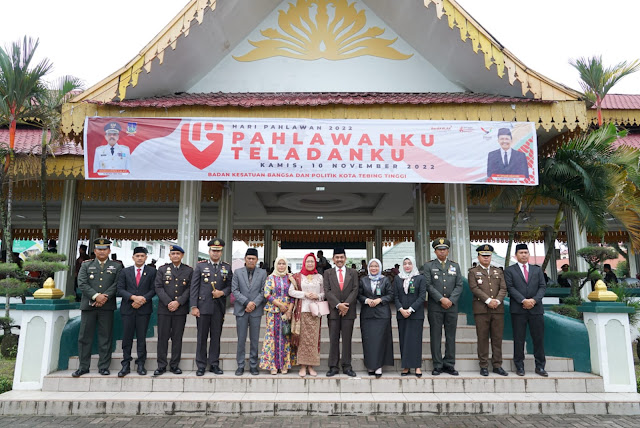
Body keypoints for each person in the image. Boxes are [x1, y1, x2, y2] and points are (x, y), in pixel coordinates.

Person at [73, 238, 123, 377]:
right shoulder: (86, 265)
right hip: (89, 306)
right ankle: (83, 367)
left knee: (105, 336)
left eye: (105, 249)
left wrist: (104, 297)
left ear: (109, 251)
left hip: (106, 307)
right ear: (95, 251)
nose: (102, 251)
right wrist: (95, 296)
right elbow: (81, 283)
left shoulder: (116, 266)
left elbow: (117, 284)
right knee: (84, 337)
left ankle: (103, 366)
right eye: (99, 249)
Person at [190, 238, 233, 376]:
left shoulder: (226, 267)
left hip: (218, 308)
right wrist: (194, 306)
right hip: (203, 307)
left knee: (216, 336)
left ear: (221, 252)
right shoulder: (200, 266)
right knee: (202, 336)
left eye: (218, 251)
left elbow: (230, 286)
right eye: (213, 251)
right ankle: (201, 365)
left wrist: (222, 293)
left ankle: (214, 363)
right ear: (209, 251)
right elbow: (194, 288)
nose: (215, 253)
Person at [505, 243, 547, 377]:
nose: (524, 255)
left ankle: (540, 366)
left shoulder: (537, 270)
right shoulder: (510, 270)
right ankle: (519, 366)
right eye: (521, 253)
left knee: (538, 338)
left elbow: (542, 287)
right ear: (516, 255)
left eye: (526, 252)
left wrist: (534, 300)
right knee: (519, 338)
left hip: (536, 309)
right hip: (519, 309)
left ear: (529, 254)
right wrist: (524, 300)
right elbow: (510, 288)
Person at [423, 238, 463, 376]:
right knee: (436, 336)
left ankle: (449, 364)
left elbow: (459, 285)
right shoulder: (429, 266)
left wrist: (450, 300)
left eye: (444, 249)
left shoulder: (455, 266)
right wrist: (441, 299)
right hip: (435, 306)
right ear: (435, 251)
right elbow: (428, 285)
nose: (442, 251)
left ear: (448, 251)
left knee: (450, 336)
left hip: (452, 307)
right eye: (439, 249)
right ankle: (437, 364)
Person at [468, 245, 508, 377]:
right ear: (478, 257)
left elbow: (503, 288)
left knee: (497, 338)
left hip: (497, 308)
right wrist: (488, 300)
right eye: (483, 256)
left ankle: (497, 365)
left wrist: (497, 300)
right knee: (483, 338)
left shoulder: (498, 271)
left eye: (488, 255)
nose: (486, 258)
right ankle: (483, 365)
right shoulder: (473, 272)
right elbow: (474, 288)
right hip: (481, 309)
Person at [116, 246, 157, 377]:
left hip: (144, 309)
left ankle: (141, 364)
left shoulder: (152, 272)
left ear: (146, 257)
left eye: (142, 256)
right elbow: (120, 289)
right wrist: (133, 298)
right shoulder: (125, 272)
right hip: (128, 308)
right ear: (133, 257)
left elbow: (154, 289)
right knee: (126, 337)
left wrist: (142, 299)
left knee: (141, 337)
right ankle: (125, 364)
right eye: (137, 256)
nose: (140, 258)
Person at [154, 245, 192, 376]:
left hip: (180, 309)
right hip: (164, 309)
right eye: (173, 253)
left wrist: (178, 302)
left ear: (182, 255)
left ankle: (175, 365)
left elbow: (190, 289)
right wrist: (168, 302)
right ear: (169, 256)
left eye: (178, 253)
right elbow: (158, 287)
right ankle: (161, 365)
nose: (175, 255)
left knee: (177, 338)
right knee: (162, 338)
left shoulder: (188, 270)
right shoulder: (162, 269)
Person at [323, 247, 359, 377]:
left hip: (348, 311)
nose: (339, 259)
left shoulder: (353, 272)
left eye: (341, 257)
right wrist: (338, 305)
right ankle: (333, 366)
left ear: (345, 258)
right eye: (337, 257)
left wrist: (346, 305)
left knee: (347, 339)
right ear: (333, 259)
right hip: (333, 311)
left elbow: (355, 289)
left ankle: (347, 366)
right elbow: (327, 291)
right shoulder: (328, 273)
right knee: (333, 339)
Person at [232, 248, 267, 376]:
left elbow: (264, 291)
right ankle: (240, 365)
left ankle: (253, 365)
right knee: (241, 339)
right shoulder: (237, 272)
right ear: (245, 259)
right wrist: (247, 303)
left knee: (254, 339)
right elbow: (235, 290)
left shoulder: (262, 273)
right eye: (249, 258)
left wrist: (254, 304)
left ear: (257, 260)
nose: (251, 261)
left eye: (253, 259)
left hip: (256, 311)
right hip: (241, 310)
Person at [259, 255, 296, 375]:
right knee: (272, 336)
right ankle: (273, 365)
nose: (281, 266)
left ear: (286, 265)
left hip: (287, 312)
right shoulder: (270, 277)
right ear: (276, 265)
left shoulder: (290, 278)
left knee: (285, 336)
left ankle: (284, 364)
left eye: (283, 264)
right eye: (279, 264)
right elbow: (267, 294)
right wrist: (279, 305)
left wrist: (289, 310)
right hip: (273, 311)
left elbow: (292, 296)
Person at [289, 253, 324, 377]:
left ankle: (311, 366)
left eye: (312, 262)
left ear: (315, 263)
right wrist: (304, 294)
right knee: (302, 340)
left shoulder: (319, 277)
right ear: (304, 263)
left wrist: (318, 296)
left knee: (313, 340)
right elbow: (291, 291)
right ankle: (302, 366)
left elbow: (324, 293)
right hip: (302, 311)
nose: (310, 264)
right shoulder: (298, 277)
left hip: (315, 312)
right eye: (308, 261)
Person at [358, 258, 394, 378]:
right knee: (369, 341)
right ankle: (370, 365)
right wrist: (367, 300)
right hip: (367, 315)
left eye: (376, 266)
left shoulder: (385, 280)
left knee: (380, 340)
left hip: (382, 315)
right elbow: (359, 294)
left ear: (380, 267)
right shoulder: (363, 280)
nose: (374, 268)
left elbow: (391, 294)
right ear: (368, 268)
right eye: (372, 266)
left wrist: (380, 300)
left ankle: (379, 366)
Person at [393, 256, 426, 377]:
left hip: (416, 314)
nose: (407, 266)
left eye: (409, 263)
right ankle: (406, 366)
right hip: (402, 314)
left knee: (416, 340)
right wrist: (401, 309)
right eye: (405, 263)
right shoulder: (398, 278)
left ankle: (417, 366)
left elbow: (422, 296)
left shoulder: (420, 278)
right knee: (404, 340)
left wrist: (411, 309)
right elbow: (395, 296)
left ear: (413, 265)